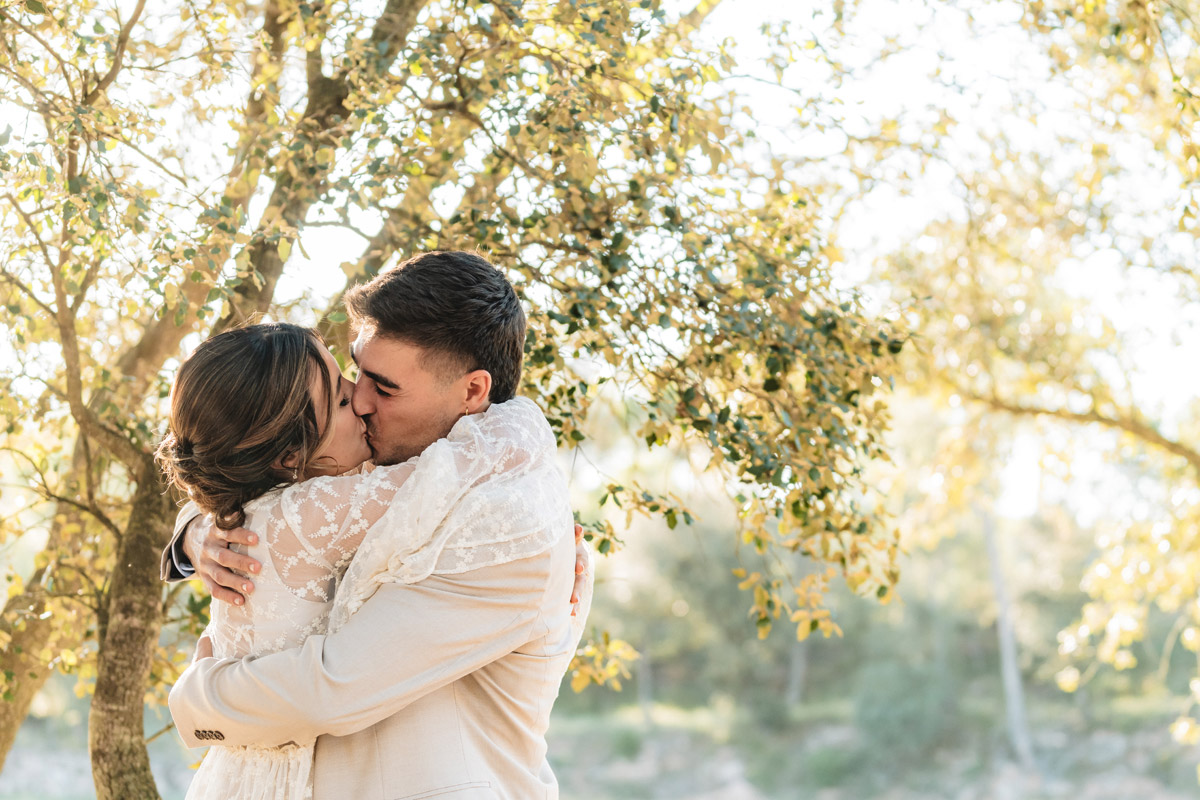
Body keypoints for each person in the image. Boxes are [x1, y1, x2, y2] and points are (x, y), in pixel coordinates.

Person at [163, 251, 591, 800]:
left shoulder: (507, 522)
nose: (360, 402)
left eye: (384, 388)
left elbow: (332, 688)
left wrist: (195, 699)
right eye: (355, 373)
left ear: (472, 392)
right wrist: (199, 531)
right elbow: (260, 467)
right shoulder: (378, 461)